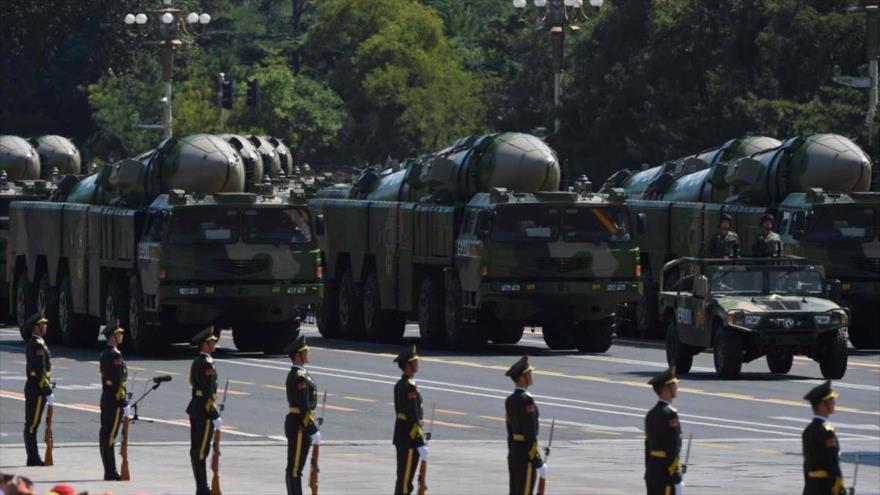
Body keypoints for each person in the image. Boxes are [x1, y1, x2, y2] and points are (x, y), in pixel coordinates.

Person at [505, 356, 547, 495]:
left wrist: (512, 453)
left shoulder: (509, 401)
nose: (531, 375)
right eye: (529, 373)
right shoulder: (527, 401)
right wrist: (537, 461)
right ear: (523, 378)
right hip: (525, 455)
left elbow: (510, 432)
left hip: (514, 453)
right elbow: (530, 434)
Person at [284, 335, 320, 495]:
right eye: (305, 351)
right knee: (295, 468)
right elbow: (303, 406)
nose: (308, 353)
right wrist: (312, 428)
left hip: (298, 423)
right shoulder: (299, 377)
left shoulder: (300, 375)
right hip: (300, 425)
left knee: (295, 467)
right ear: (298, 355)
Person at [187, 326, 221, 495]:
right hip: (204, 410)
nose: (215, 343)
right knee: (201, 451)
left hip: (196, 408)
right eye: (212, 341)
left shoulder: (197, 361)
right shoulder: (207, 364)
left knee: (197, 450)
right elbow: (208, 392)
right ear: (205, 344)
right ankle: (202, 487)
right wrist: (214, 413)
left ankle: (202, 486)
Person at [802, 381, 847, 495]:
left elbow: (807, 465)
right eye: (831, 400)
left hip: (811, 488)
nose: (834, 402)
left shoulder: (808, 430)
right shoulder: (826, 431)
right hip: (825, 488)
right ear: (823, 404)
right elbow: (831, 463)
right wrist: (839, 490)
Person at [393, 345, 426, 495]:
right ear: (408, 366)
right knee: (406, 480)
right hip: (409, 439)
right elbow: (412, 417)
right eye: (414, 362)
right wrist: (419, 441)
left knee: (403, 478)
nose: (417, 364)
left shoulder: (401, 384)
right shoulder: (409, 387)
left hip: (403, 437)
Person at [98, 322, 130, 480]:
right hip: (114, 400)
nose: (121, 335)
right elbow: (118, 381)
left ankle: (109, 470)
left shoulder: (105, 353)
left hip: (107, 399)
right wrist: (123, 400)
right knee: (110, 436)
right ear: (112, 336)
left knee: (106, 435)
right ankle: (111, 471)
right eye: (119, 333)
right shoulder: (115, 355)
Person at [644, 368, 683, 495]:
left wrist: (649, 470)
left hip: (652, 471)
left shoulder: (651, 414)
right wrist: (676, 475)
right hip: (665, 473)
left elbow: (647, 446)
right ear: (666, 389)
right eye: (674, 385)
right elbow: (672, 447)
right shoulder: (669, 414)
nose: (676, 387)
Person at [23, 313, 53, 466]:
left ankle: (33, 456)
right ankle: (33, 457)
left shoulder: (36, 343)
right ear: (36, 326)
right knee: (32, 424)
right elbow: (38, 370)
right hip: (37, 389)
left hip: (36, 388)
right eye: (43, 324)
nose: (45, 326)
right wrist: (46, 388)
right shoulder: (37, 344)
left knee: (32, 424)